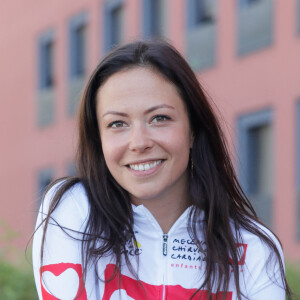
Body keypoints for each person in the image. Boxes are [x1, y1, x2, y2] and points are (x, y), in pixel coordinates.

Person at [32, 40, 291, 300]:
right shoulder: (74, 210)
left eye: (160, 118)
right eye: (118, 124)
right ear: (99, 140)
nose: (140, 143)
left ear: (192, 130)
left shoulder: (253, 249)